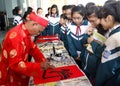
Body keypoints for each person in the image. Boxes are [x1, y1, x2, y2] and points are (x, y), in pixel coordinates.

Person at [0, 12, 54, 86]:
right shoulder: (17, 37)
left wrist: (43, 61)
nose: (38, 34)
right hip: (10, 75)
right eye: (39, 31)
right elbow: (16, 64)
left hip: (20, 71)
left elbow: (33, 48)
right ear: (34, 24)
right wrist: (39, 66)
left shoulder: (25, 31)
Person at [94, 1, 120, 86]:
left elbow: (105, 69)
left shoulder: (114, 38)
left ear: (108, 18)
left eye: (100, 18)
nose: (99, 22)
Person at [82, 5, 107, 84]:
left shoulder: (105, 32)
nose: (91, 23)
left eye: (93, 21)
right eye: (89, 21)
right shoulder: (92, 27)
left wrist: (92, 42)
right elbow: (83, 42)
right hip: (87, 64)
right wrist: (87, 34)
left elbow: (103, 53)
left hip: (96, 69)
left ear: (101, 18)